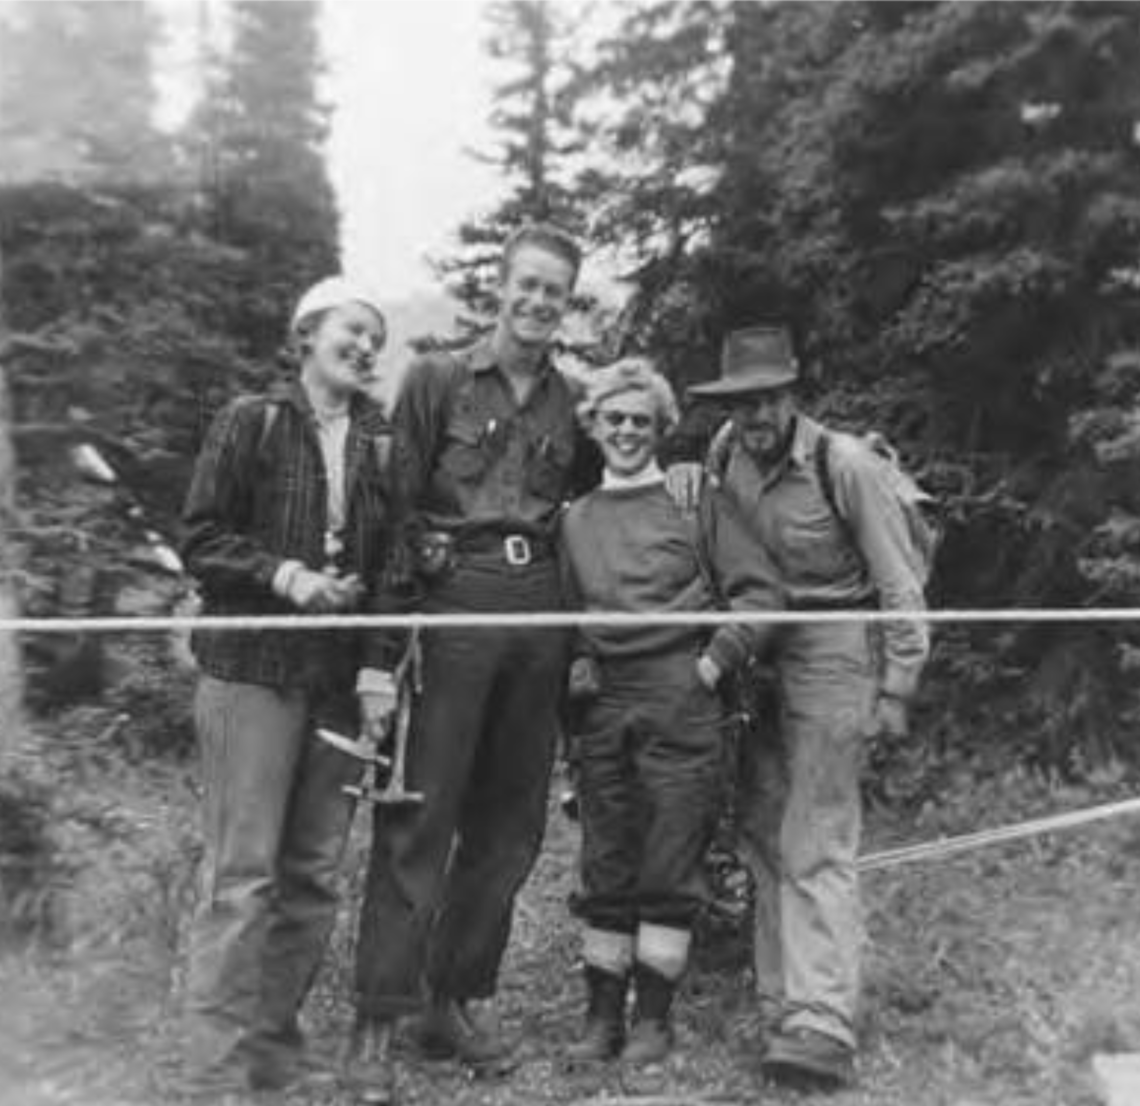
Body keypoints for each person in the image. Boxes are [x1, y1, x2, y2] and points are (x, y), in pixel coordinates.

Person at [344, 223, 601, 1105]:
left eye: (555, 293)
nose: (537, 303)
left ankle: (450, 1002)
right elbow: (393, 518)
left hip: (543, 611)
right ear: (501, 285)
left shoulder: (575, 402)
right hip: (454, 601)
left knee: (510, 824)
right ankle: (377, 1018)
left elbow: (604, 497)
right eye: (526, 285)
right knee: (421, 811)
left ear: (567, 306)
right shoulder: (437, 380)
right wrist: (383, 651)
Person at [688, 325, 930, 1090]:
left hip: (835, 644)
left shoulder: (843, 464)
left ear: (792, 395)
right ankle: (780, 999)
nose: (756, 415)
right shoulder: (723, 454)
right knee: (762, 828)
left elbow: (899, 581)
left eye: (769, 398)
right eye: (742, 401)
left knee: (817, 829)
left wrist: (897, 685)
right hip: (759, 643)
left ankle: (824, 1020)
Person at [178, 276, 398, 1099]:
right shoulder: (252, 421)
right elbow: (200, 538)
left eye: (377, 336)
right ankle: (217, 1072)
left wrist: (379, 669)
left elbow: (392, 572)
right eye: (352, 328)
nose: (367, 346)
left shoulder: (380, 446)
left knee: (311, 873)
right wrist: (284, 574)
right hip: (252, 675)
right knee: (243, 877)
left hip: (338, 687)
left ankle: (272, 1047)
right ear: (306, 334)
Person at [559, 358, 782, 1065]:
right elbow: (561, 618)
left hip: (681, 694)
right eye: (613, 418)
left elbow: (760, 595)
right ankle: (601, 1019)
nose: (626, 431)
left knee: (669, 856)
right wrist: (576, 666)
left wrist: (713, 661)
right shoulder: (574, 519)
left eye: (641, 420)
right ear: (593, 426)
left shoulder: (695, 500)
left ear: (662, 428)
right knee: (606, 859)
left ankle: (652, 1020)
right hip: (602, 706)